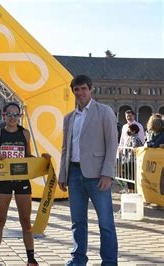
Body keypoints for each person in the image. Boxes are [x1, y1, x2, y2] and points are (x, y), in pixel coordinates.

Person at [59, 74, 118, 265]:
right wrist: (63, 174)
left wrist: (108, 174)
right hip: (74, 174)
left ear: (91, 89)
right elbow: (65, 149)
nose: (80, 92)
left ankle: (109, 262)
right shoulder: (69, 118)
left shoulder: (104, 111)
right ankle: (78, 259)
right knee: (77, 222)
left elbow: (112, 144)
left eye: (83, 88)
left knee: (106, 223)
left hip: (98, 175)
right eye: (76, 89)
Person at [0, 102, 50, 266]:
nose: (13, 118)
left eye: (16, 115)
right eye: (9, 114)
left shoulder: (25, 134)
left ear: (20, 116)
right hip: (3, 181)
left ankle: (30, 259)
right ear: (4, 116)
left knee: (26, 221)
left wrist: (42, 160)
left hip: (22, 181)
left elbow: (27, 156)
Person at [121, 124, 143, 192]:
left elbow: (134, 148)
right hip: (128, 160)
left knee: (131, 176)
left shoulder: (135, 138)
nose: (128, 131)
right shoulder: (130, 137)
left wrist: (130, 150)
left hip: (132, 160)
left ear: (134, 131)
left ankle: (132, 190)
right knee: (127, 176)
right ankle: (130, 189)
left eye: (129, 129)